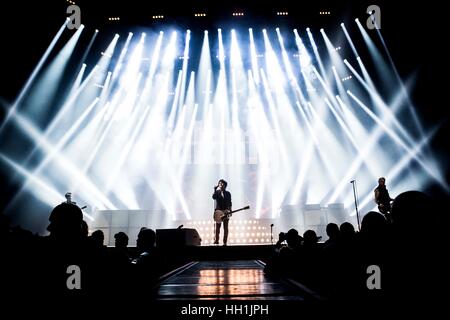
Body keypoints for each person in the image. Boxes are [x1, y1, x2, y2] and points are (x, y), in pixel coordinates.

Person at [212, 179, 232, 246]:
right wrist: (215, 189)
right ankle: (216, 240)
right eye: (219, 183)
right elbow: (213, 197)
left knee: (225, 227)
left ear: (225, 185)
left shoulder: (228, 193)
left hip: (226, 211)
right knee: (218, 227)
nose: (220, 184)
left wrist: (230, 210)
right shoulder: (217, 192)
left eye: (222, 183)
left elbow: (230, 203)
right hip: (218, 211)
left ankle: (225, 242)